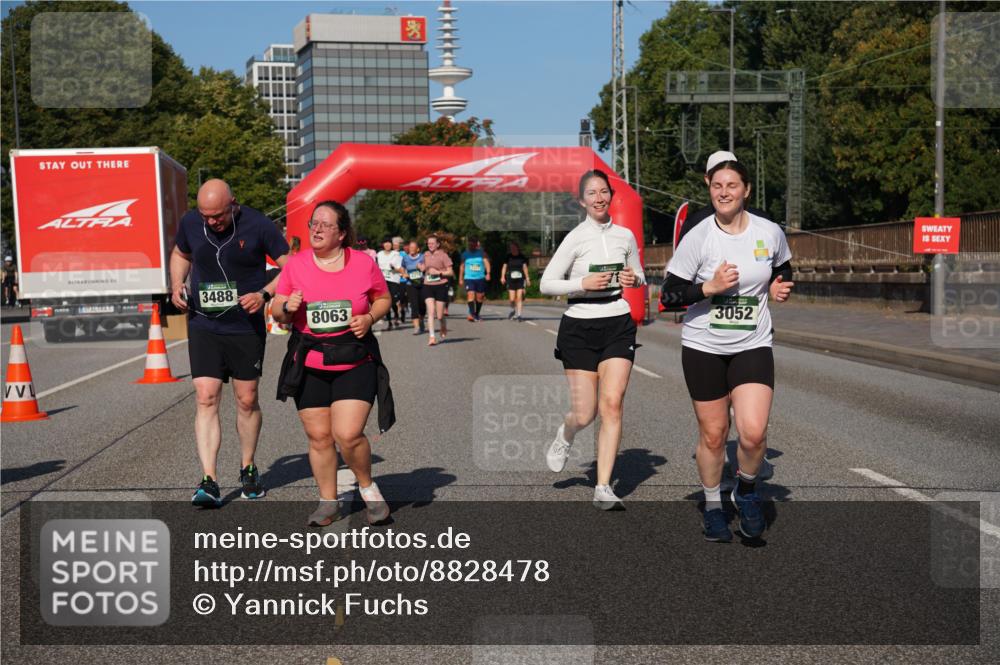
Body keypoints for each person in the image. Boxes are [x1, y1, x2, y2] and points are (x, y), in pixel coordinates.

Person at [662, 158, 794, 542]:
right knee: (714, 435)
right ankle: (713, 507)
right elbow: (669, 294)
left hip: (752, 342)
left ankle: (746, 490)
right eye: (717, 186)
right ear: (710, 189)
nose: (723, 192)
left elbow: (784, 266)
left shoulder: (769, 232)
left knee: (752, 433)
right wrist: (709, 288)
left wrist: (779, 285)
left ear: (746, 190)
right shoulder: (699, 236)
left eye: (731, 185)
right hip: (703, 347)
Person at [272, 200, 394, 527]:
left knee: (348, 433)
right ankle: (328, 502)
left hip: (354, 358)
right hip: (309, 360)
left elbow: (383, 298)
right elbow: (277, 311)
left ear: (341, 234)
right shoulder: (296, 265)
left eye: (326, 225)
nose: (317, 229)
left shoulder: (363, 263)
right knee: (319, 437)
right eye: (314, 223)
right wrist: (287, 307)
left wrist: (369, 318)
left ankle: (367, 488)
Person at [170, 179, 290, 507]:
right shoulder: (191, 223)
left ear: (233, 204)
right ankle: (208, 479)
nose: (211, 222)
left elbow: (291, 267)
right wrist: (177, 282)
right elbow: (180, 253)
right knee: (206, 396)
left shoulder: (258, 224)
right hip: (203, 323)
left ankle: (248, 467)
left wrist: (265, 294)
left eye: (218, 216)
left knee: (246, 399)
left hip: (244, 327)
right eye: (205, 216)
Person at [541, 170, 645, 510]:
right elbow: (546, 283)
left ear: (611, 194)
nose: (599, 198)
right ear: (581, 201)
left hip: (617, 322)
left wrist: (633, 279)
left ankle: (603, 487)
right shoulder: (575, 238)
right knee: (585, 413)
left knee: (612, 404)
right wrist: (581, 284)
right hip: (579, 327)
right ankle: (566, 434)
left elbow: (639, 274)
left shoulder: (625, 235)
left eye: (604, 191)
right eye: (592, 193)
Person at [419, 234, 454, 346]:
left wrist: (438, 273)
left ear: (438, 244)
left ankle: (443, 325)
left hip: (441, 285)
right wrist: (420, 267)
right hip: (427, 285)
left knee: (439, 315)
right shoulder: (425, 254)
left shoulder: (443, 255)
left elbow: (451, 272)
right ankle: (432, 337)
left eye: (432, 243)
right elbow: (423, 266)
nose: (430, 245)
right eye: (428, 243)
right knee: (430, 311)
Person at [459, 237, 491, 322]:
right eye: (470, 243)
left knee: (479, 297)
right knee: (471, 294)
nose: (471, 245)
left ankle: (476, 314)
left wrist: (488, 273)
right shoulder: (465, 254)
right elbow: (462, 267)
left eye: (473, 243)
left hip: (480, 278)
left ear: (476, 244)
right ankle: (472, 314)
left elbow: (487, 264)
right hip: (469, 278)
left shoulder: (482, 253)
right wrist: (460, 278)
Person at [376, 237, 404, 330]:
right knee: (386, 302)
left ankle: (396, 314)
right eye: (385, 243)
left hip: (393, 280)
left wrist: (394, 268)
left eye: (389, 243)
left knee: (392, 302)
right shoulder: (379, 254)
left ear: (391, 244)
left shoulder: (396, 254)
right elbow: (376, 267)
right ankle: (389, 322)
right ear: (383, 244)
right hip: (383, 280)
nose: (387, 244)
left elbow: (399, 268)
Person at [400, 240, 426, 335]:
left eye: (413, 247)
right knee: (414, 305)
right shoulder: (406, 258)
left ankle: (421, 320)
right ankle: (416, 327)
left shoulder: (423, 257)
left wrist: (422, 268)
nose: (411, 249)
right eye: (410, 247)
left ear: (417, 249)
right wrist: (404, 274)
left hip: (422, 283)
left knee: (422, 305)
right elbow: (402, 268)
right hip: (410, 284)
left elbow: (426, 267)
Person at [500, 242, 530, 321]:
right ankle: (513, 310)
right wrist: (502, 277)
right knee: (512, 299)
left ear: (517, 248)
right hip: (511, 280)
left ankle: (519, 315)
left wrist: (527, 278)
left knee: (519, 297)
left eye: (514, 247)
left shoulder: (522, 257)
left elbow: (525, 268)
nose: (512, 249)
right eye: (511, 248)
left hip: (520, 279)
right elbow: (504, 267)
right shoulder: (508, 257)